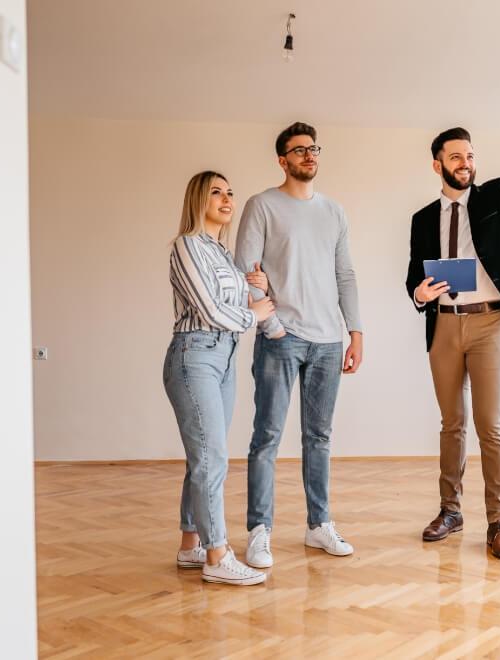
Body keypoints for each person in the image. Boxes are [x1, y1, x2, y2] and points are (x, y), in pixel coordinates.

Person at [406, 117, 500, 560]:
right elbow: (415, 270)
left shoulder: (492, 196)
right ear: (438, 166)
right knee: (451, 424)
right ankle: (449, 511)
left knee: (489, 425)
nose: (466, 163)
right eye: (456, 157)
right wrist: (418, 291)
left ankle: (499, 522)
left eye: (470, 156)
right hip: (445, 324)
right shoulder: (423, 218)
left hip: (491, 323)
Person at [234, 122, 364, 568]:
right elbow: (244, 270)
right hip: (282, 339)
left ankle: (318, 525)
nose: (309, 156)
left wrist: (356, 333)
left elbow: (345, 274)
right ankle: (259, 531)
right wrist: (271, 328)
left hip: (329, 341)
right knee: (266, 436)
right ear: (282, 159)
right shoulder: (261, 206)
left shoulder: (334, 212)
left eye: (313, 149)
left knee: (319, 437)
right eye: (299, 150)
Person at [164, 171, 276, 585]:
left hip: (223, 356)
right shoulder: (186, 245)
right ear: (198, 199)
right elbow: (210, 310)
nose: (227, 199)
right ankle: (216, 555)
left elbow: (240, 301)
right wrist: (253, 314)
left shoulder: (222, 253)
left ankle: (190, 544)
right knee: (212, 459)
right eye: (217, 192)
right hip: (195, 355)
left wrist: (257, 288)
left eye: (230, 192)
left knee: (206, 457)